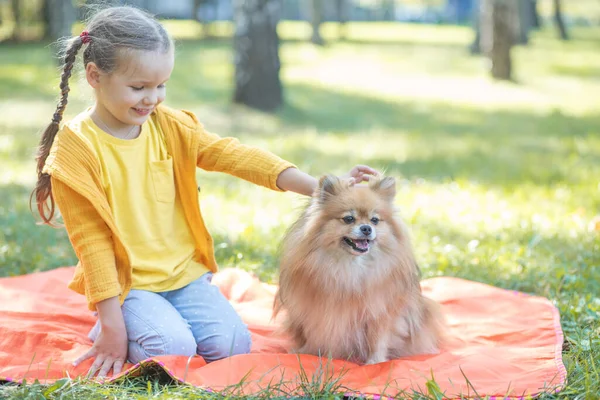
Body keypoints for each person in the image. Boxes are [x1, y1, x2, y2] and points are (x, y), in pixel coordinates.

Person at [31, 6, 378, 379]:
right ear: (95, 77)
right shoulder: (74, 151)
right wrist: (113, 327)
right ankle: (119, 323)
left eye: (161, 85)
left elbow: (236, 156)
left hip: (184, 277)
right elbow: (93, 244)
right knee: (172, 349)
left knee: (232, 346)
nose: (153, 99)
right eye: (139, 87)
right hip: (126, 287)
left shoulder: (170, 126)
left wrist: (323, 188)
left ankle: (156, 318)